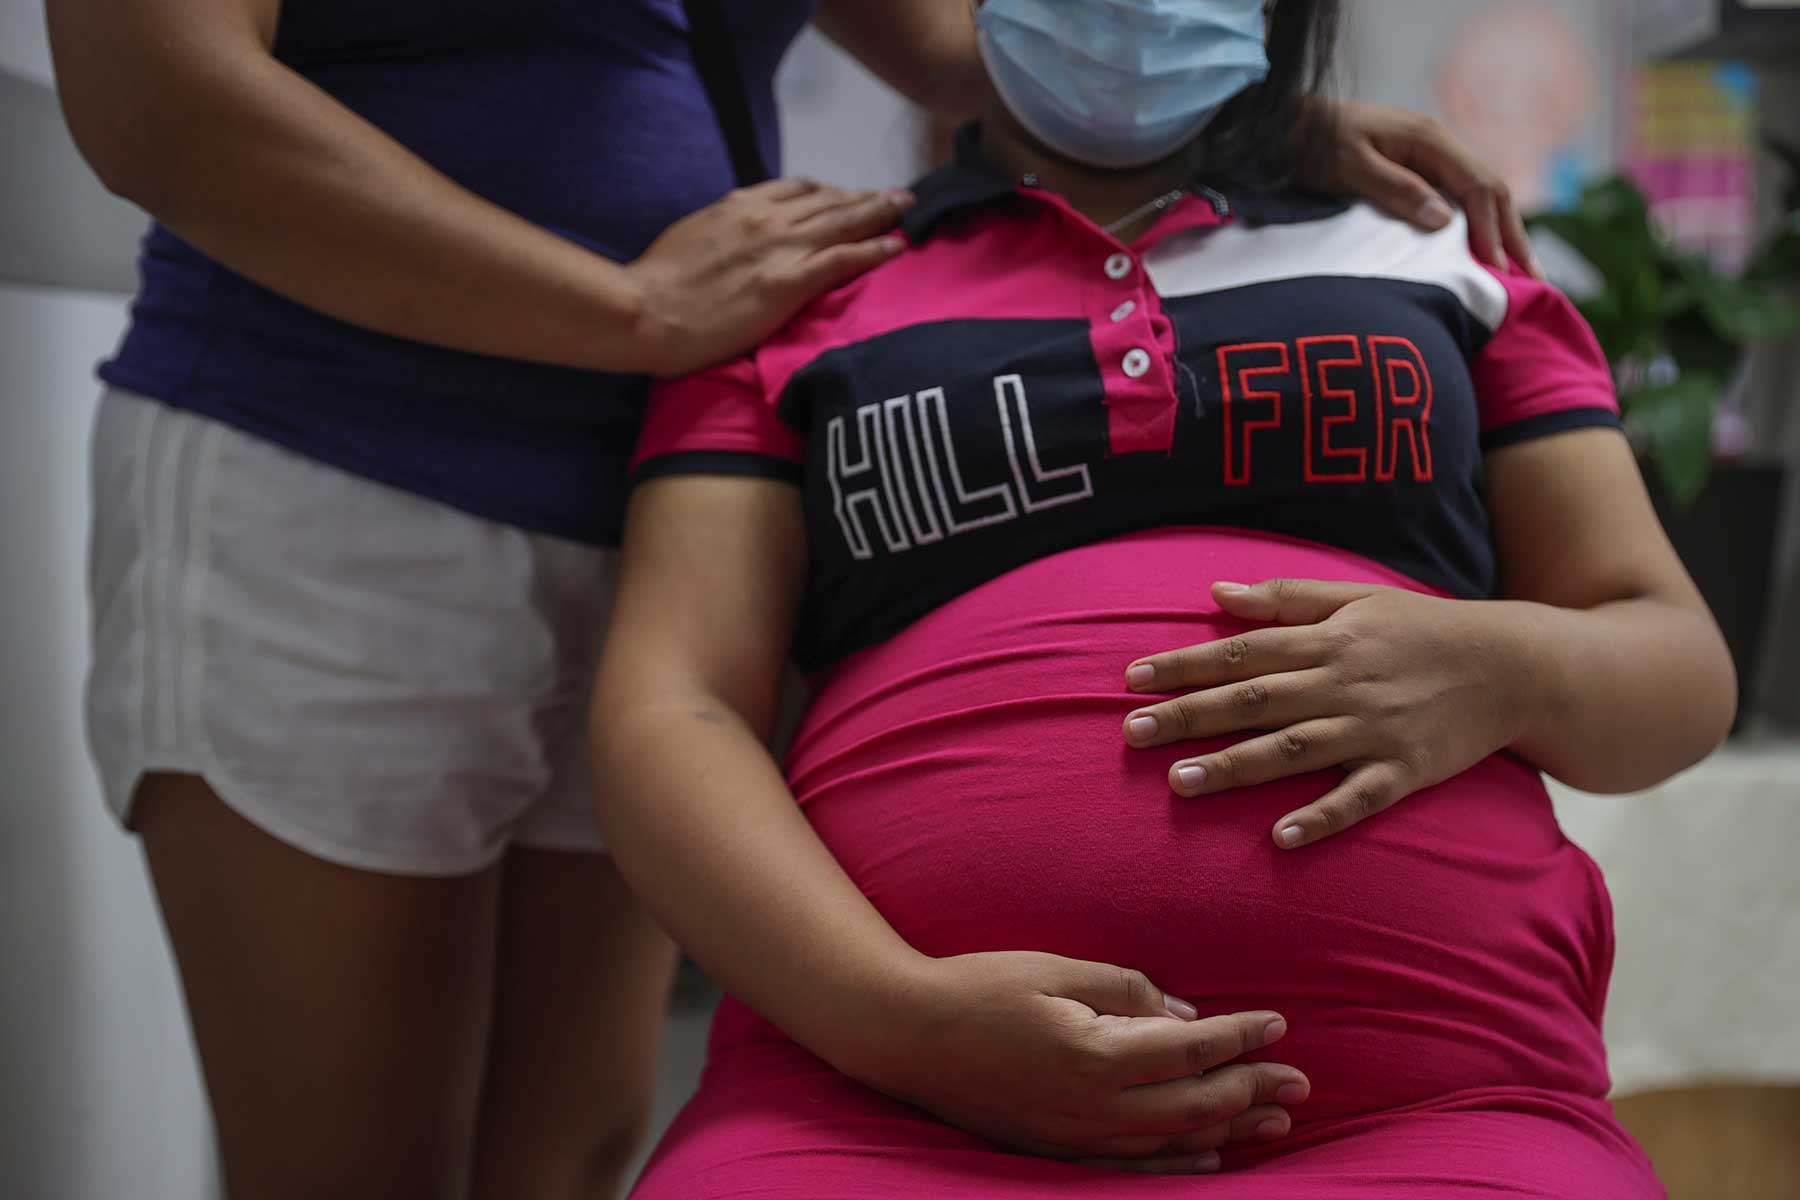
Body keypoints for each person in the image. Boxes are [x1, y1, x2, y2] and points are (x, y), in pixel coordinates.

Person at [49, 0, 1556, 1195]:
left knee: (566, 1151)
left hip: (635, 487)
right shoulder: (676, 342)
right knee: (352, 1167)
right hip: (336, 463)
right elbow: (155, 98)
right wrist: (629, 311)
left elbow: (984, 38)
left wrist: (1262, 121)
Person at [592, 0, 1737, 1194]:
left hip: (1438, 1104)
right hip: (867, 1098)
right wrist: (897, 1019)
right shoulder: (796, 292)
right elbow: (674, 705)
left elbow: (1677, 666)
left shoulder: (1436, 256)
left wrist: (1503, 670)